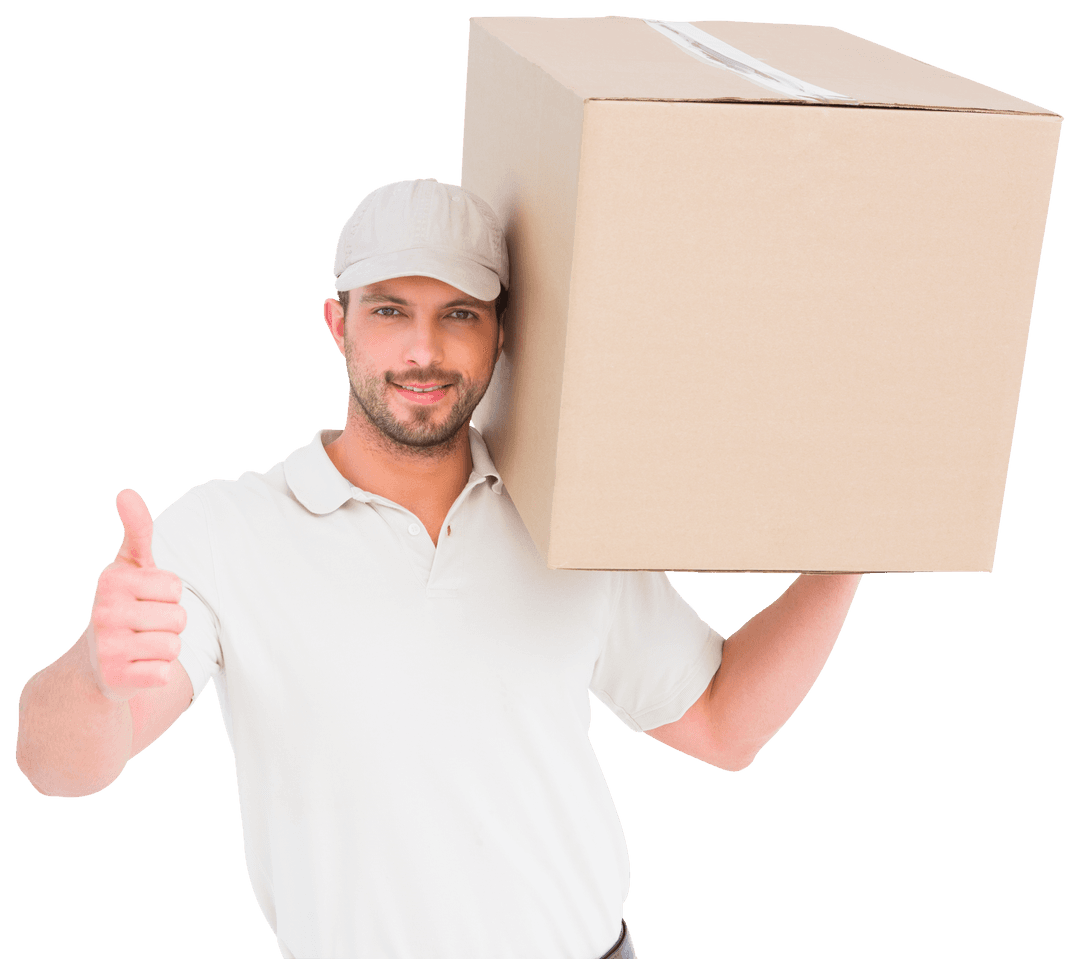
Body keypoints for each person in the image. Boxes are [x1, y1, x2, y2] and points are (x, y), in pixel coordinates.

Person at [15, 177, 862, 959]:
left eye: (459, 313)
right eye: (390, 311)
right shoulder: (225, 533)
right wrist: (95, 670)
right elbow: (58, 764)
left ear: (501, 333)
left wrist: (851, 554)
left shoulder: (561, 519)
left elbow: (720, 722)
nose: (424, 351)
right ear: (337, 323)